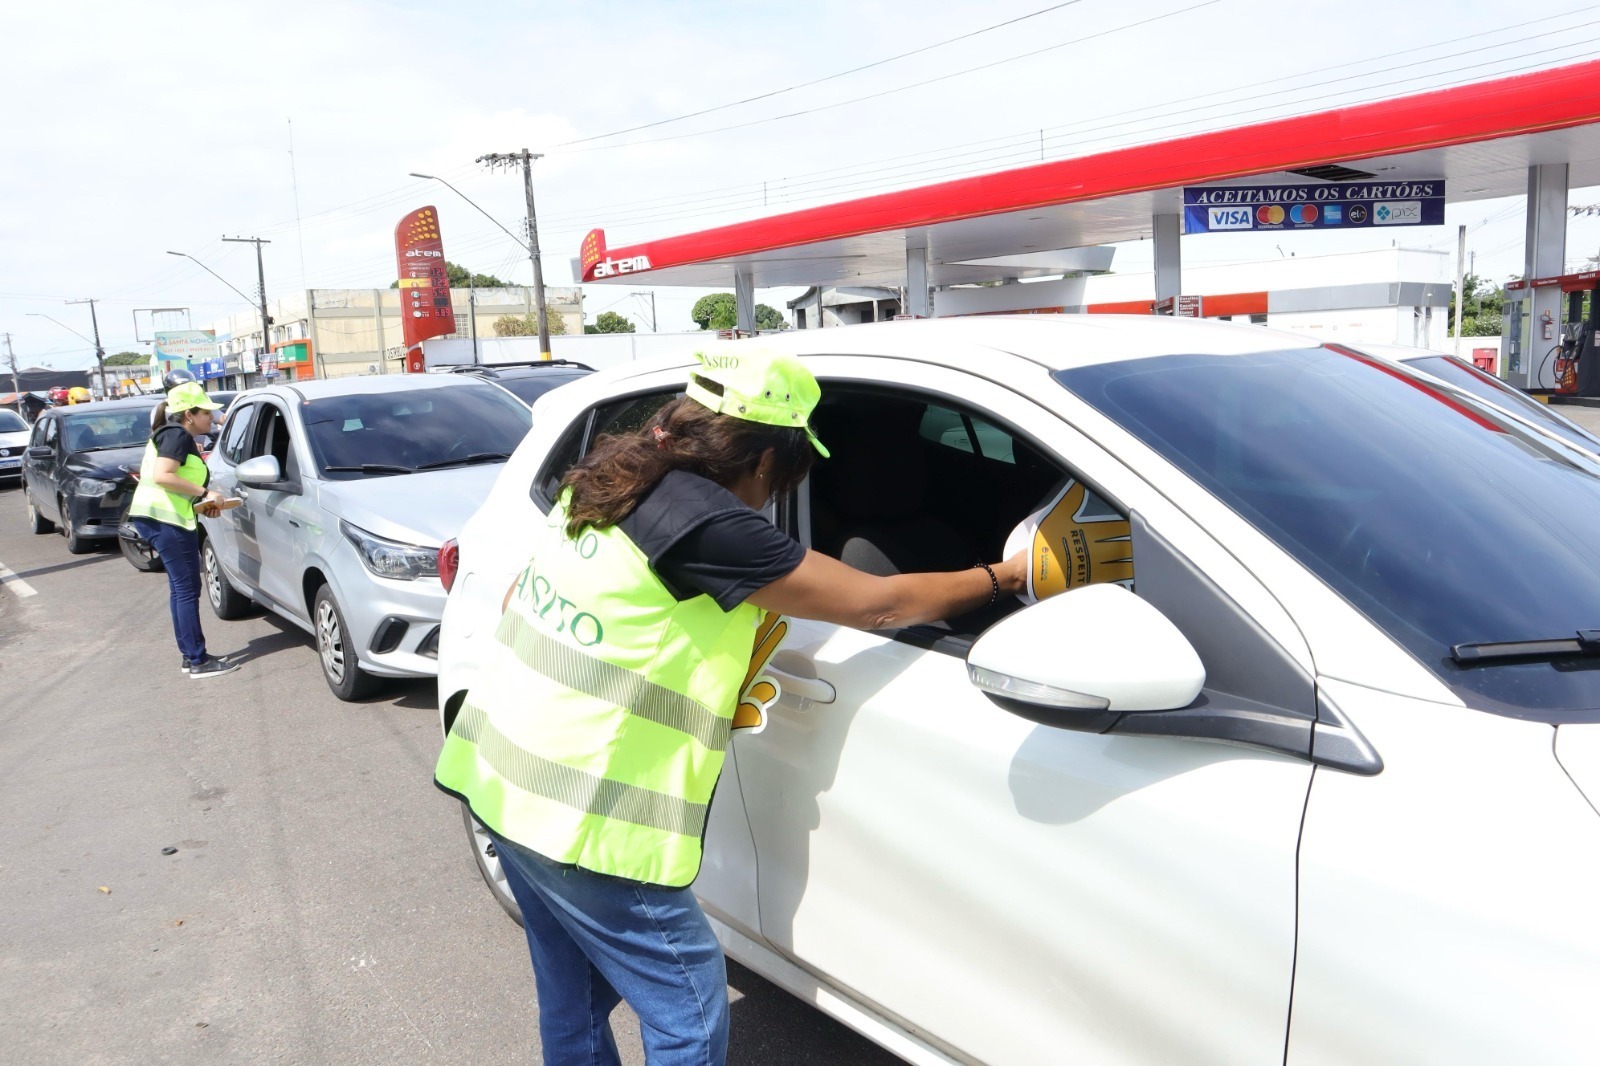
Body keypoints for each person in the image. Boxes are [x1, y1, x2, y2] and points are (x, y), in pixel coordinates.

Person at [435, 348, 1025, 1065]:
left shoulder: (608, 475)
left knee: (575, 1001)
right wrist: (1010, 575)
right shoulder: (705, 524)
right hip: (579, 819)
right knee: (687, 1010)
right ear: (766, 457)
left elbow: (519, 599)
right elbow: (878, 606)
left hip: (500, 775)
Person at [128, 380, 239, 679]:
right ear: (189, 414)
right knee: (187, 590)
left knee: (181, 590)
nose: (211, 418)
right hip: (167, 522)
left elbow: (173, 483)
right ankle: (198, 660)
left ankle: (191, 656)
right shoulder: (176, 435)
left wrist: (202, 503)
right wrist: (205, 493)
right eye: (206, 413)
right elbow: (163, 476)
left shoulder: (174, 434)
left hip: (162, 519)